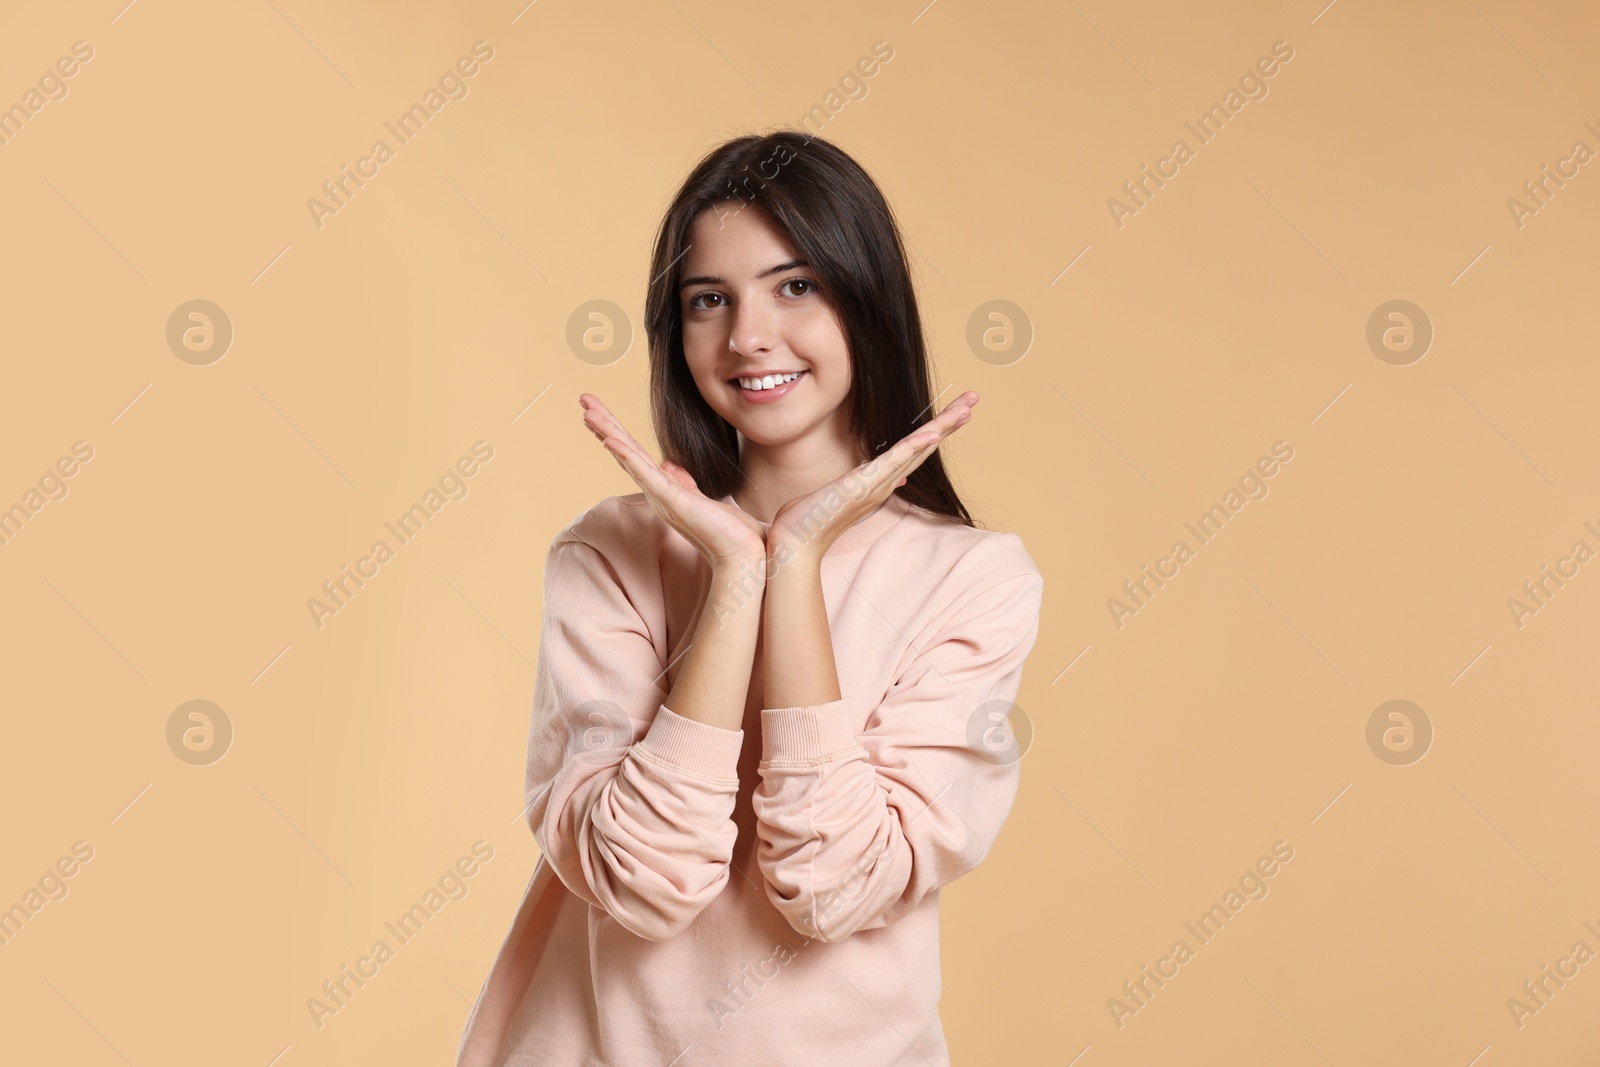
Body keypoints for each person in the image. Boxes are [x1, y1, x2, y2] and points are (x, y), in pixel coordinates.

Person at [456, 130, 1044, 1066]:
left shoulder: (973, 581)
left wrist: (795, 563)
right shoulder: (609, 553)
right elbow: (642, 883)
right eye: (708, 300)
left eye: (796, 285)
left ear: (867, 298)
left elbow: (832, 888)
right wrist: (737, 579)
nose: (748, 336)